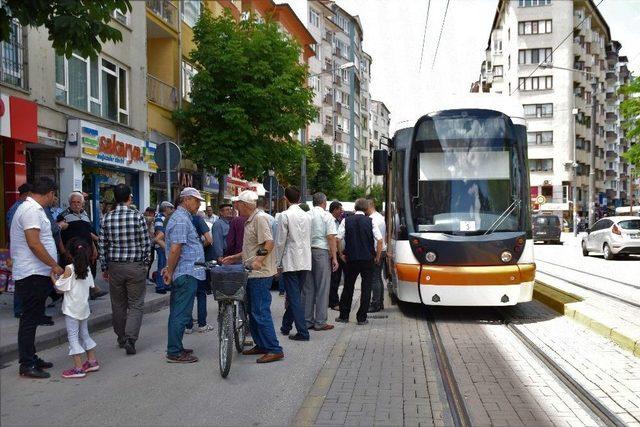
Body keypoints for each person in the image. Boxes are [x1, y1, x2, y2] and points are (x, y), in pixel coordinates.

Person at [222, 190, 283, 363]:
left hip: (260, 274)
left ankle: (274, 348)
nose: (235, 206)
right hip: (251, 273)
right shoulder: (250, 220)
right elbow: (252, 247)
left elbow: (268, 243)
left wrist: (259, 259)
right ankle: (261, 345)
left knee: (260, 311)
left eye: (238, 203)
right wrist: (235, 257)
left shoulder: (260, 218)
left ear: (246, 205)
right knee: (252, 312)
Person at [10, 177, 61, 378]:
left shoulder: (31, 208)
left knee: (32, 317)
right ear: (49, 193)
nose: (54, 198)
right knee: (29, 319)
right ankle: (27, 363)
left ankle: (31, 356)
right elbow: (34, 243)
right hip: (31, 274)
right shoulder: (31, 210)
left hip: (36, 273)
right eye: (54, 195)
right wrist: (54, 265)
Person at [99, 184, 151, 355]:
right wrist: (145, 264)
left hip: (115, 266)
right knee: (136, 304)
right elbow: (146, 243)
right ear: (129, 197)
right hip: (135, 266)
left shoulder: (106, 218)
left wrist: (105, 267)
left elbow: (102, 245)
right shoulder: (138, 217)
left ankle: (121, 337)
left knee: (118, 304)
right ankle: (130, 338)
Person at [163, 188, 206, 363]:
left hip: (187, 271)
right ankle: (174, 351)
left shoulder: (184, 218)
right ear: (186, 200)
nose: (199, 204)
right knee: (181, 313)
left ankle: (176, 347)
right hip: (186, 272)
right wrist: (170, 271)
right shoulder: (181, 219)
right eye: (196, 201)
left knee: (179, 312)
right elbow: (175, 249)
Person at [53, 238, 100, 379]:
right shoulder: (86, 268)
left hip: (71, 309)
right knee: (84, 333)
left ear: (70, 253)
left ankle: (78, 368)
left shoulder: (69, 268)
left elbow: (59, 289)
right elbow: (92, 286)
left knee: (73, 336)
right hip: (84, 308)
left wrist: (53, 277)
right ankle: (92, 362)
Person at [335, 198, 383, 325]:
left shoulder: (346, 220)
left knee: (348, 287)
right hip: (368, 259)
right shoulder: (370, 221)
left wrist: (341, 254)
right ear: (366, 209)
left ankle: (344, 316)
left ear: (355, 208)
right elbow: (379, 240)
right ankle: (361, 318)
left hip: (351, 259)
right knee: (366, 288)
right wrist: (377, 256)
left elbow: (338, 239)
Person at [275, 186, 312, 341]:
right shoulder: (308, 216)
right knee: (295, 296)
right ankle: (286, 326)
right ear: (299, 199)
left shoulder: (284, 215)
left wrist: (277, 262)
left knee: (294, 297)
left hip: (291, 260)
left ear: (286, 198)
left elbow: (280, 241)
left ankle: (303, 332)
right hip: (305, 260)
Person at [57, 191, 107, 299]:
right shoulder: (63, 216)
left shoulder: (85, 215)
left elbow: (88, 233)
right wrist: (63, 251)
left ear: (82, 203)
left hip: (87, 250)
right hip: (72, 252)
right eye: (73, 202)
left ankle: (88, 295)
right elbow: (58, 234)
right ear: (70, 203)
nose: (76, 204)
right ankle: (73, 301)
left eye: (78, 202)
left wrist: (94, 248)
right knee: (74, 277)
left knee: (87, 273)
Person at [302, 192, 338, 332]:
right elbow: (331, 237)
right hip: (321, 252)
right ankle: (320, 322)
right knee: (323, 288)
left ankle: (307, 321)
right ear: (324, 202)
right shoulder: (326, 216)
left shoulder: (307, 215)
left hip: (307, 252)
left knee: (308, 288)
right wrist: (334, 257)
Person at [185, 211, 214, 334]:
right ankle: (202, 324)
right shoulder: (198, 219)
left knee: (187, 295)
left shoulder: (176, 219)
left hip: (183, 263)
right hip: (197, 262)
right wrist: (198, 246)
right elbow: (209, 239)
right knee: (201, 293)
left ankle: (188, 325)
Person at [6, 183, 32, 319]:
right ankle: (19, 309)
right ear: (27, 194)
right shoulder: (18, 209)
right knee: (21, 279)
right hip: (19, 249)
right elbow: (14, 231)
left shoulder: (19, 208)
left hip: (20, 248)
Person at [366, 198, 387, 313]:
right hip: (381, 250)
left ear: (370, 206)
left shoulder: (373, 219)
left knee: (374, 278)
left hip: (377, 251)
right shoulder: (379, 217)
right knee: (378, 278)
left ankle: (375, 304)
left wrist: (376, 255)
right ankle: (380, 302)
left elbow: (376, 240)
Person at [154, 201, 174, 294]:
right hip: (161, 246)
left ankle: (166, 284)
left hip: (165, 245)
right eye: (171, 208)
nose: (172, 209)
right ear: (166, 208)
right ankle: (160, 286)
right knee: (161, 265)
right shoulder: (159, 218)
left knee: (166, 265)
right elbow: (159, 233)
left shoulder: (166, 218)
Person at [328, 201, 344, 311]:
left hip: (338, 253)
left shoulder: (337, 221)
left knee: (336, 279)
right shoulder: (331, 221)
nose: (341, 212)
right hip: (334, 254)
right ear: (334, 209)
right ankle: (333, 302)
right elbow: (333, 239)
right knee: (334, 279)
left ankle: (332, 300)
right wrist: (336, 255)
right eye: (340, 209)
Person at [143, 207, 157, 282]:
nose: (153, 215)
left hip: (151, 243)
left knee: (150, 260)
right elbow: (149, 219)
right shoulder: (143, 218)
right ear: (148, 212)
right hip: (146, 244)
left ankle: (147, 277)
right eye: (152, 213)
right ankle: (145, 278)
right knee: (147, 261)